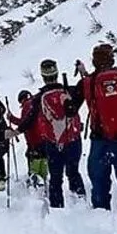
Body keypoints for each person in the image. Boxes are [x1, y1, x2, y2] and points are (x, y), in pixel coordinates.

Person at [7, 59, 86, 208]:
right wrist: (83, 73)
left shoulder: (38, 98)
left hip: (52, 142)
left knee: (56, 178)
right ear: (56, 73)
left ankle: (57, 209)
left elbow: (29, 120)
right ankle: (81, 204)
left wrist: (15, 131)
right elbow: (87, 87)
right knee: (74, 173)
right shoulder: (70, 91)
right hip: (73, 139)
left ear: (43, 76)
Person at [75, 44, 117, 211]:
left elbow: (70, 109)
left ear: (94, 61)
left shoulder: (88, 83)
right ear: (112, 59)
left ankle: (102, 216)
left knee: (99, 182)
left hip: (100, 140)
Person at [9, 90, 48, 187]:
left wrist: (11, 118)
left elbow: (24, 123)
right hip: (45, 138)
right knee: (43, 158)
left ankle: (35, 182)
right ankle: (44, 179)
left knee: (34, 159)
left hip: (33, 140)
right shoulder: (39, 103)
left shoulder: (27, 106)